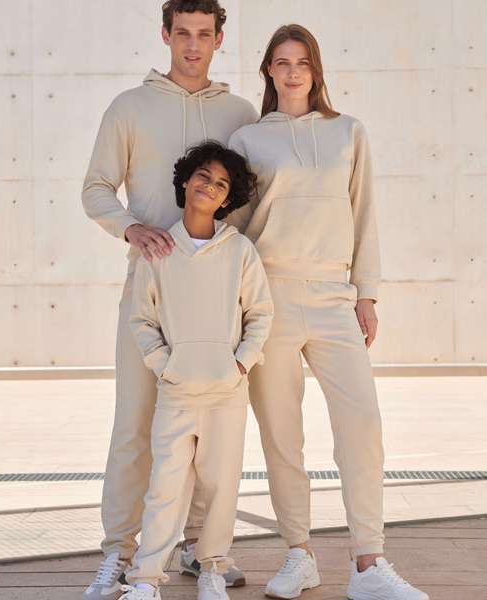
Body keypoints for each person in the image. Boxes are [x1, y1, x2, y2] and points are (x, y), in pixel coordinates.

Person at [227, 24, 429, 600]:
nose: (292, 73)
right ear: (268, 70)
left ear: (316, 70)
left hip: (334, 297)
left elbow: (364, 214)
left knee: (362, 425)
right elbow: (233, 228)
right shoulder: (247, 140)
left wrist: (366, 293)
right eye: (282, 63)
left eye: (303, 63)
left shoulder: (348, 132)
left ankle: (369, 563)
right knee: (281, 436)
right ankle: (299, 555)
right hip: (268, 298)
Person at [81, 2, 259, 598]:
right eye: (182, 33)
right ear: (166, 35)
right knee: (134, 423)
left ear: (219, 39)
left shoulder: (240, 115)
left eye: (204, 34)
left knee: (211, 428)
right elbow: (96, 188)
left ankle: (200, 548)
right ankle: (119, 552)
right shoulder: (129, 107)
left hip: (217, 298)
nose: (192, 45)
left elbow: (249, 201)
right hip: (150, 286)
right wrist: (130, 228)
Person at [118, 141, 273, 600]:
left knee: (221, 488)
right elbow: (141, 320)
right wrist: (165, 366)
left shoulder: (239, 250)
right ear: (185, 181)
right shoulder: (160, 250)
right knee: (164, 487)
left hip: (227, 392)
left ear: (228, 198)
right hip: (177, 390)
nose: (210, 186)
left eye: (222, 184)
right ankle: (146, 579)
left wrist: (239, 363)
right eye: (203, 176)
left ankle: (212, 570)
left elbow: (261, 314)